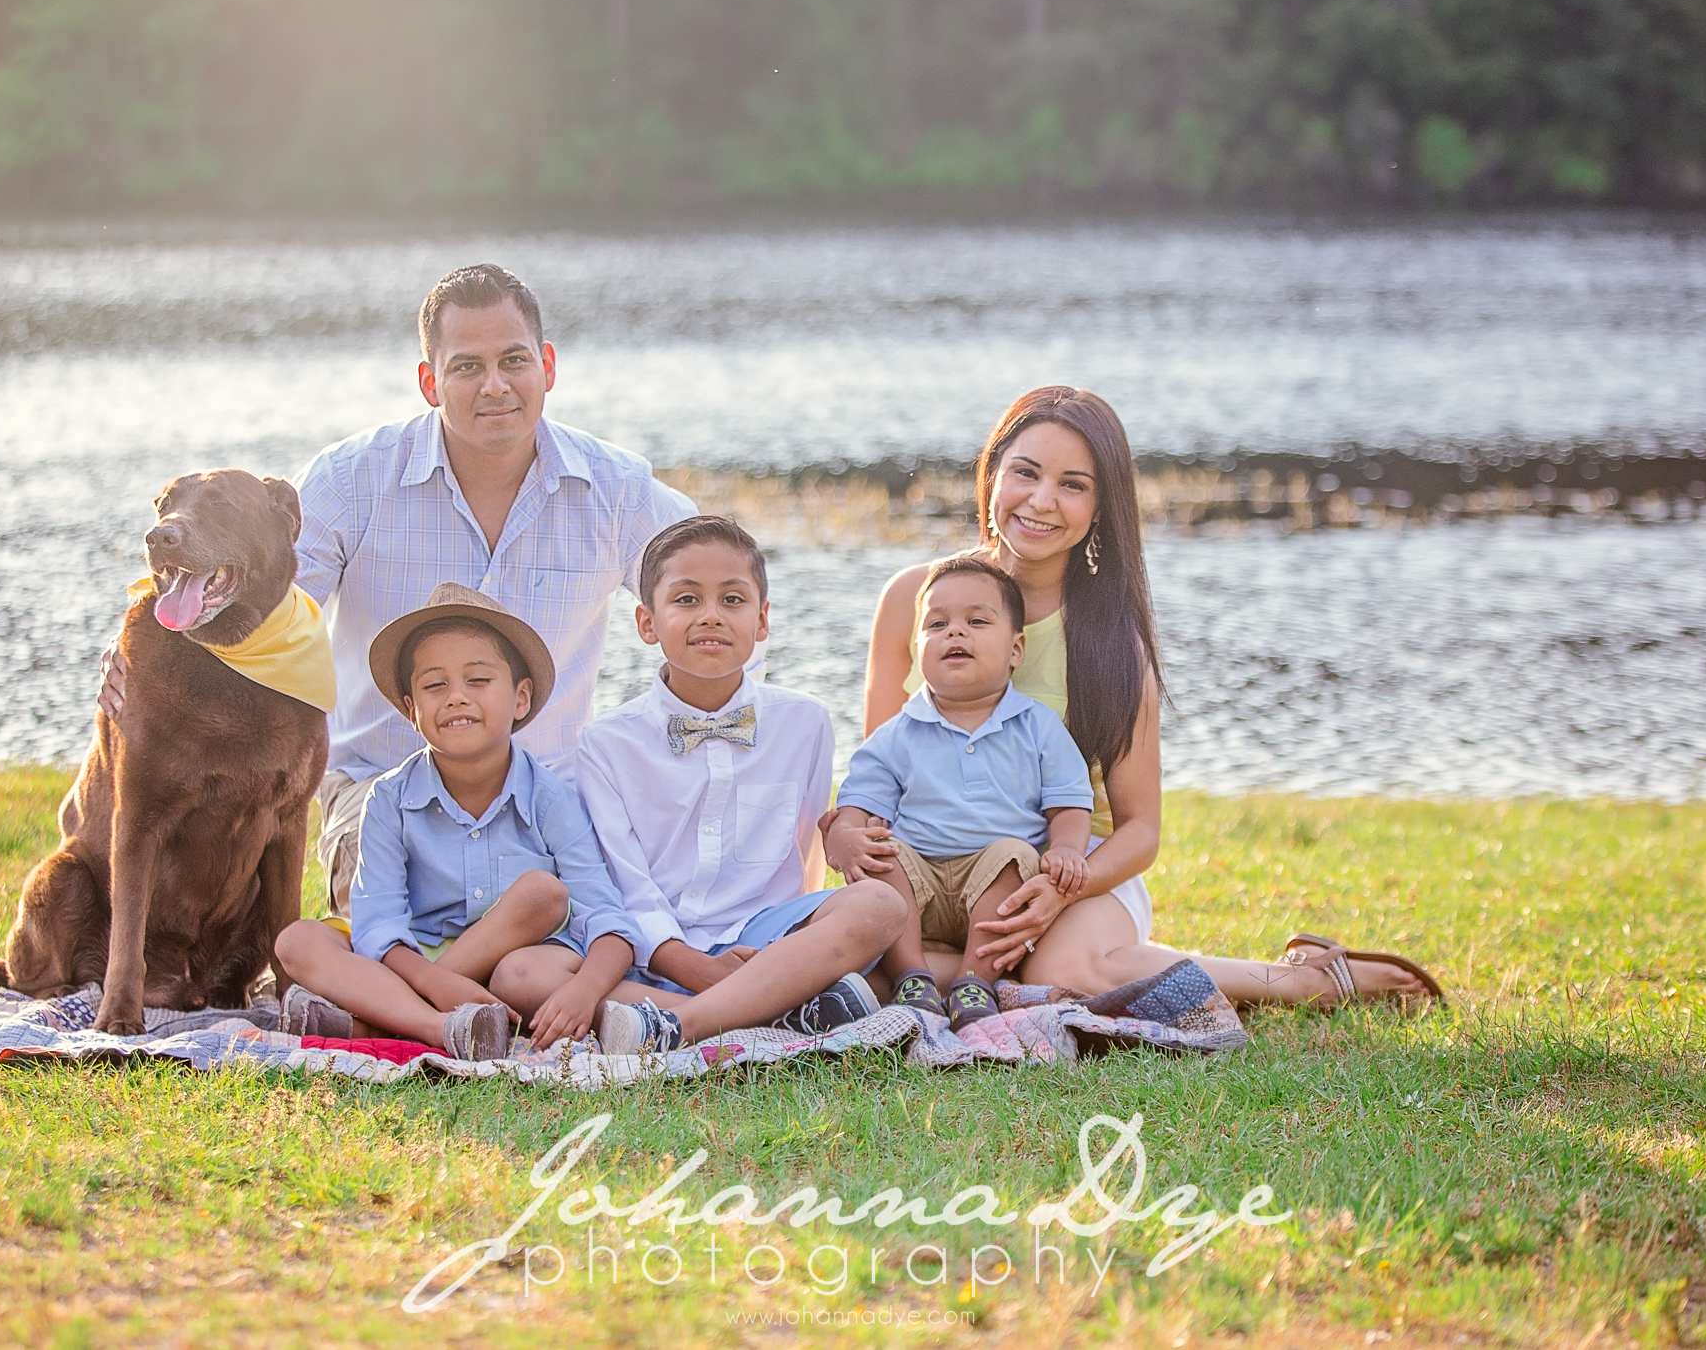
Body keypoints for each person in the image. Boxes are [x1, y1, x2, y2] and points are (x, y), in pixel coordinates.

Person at [105, 264, 696, 917]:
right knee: (398, 912)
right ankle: (444, 990)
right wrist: (144, 638)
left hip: (550, 791)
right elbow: (249, 602)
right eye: (467, 366)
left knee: (616, 914)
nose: (495, 385)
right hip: (382, 790)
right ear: (429, 382)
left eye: (514, 361)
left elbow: (717, 592)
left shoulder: (615, 488)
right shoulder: (352, 480)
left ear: (547, 367)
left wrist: (675, 741)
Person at [852, 386, 1441, 1008]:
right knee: (862, 960)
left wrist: (1060, 889)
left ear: (1102, 506)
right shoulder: (912, 600)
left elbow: (1139, 831)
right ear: (992, 472)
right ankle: (970, 972)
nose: (1042, 500)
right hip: (938, 872)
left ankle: (1305, 980)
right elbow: (878, 775)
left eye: (1073, 485)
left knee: (1067, 974)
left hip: (1077, 872)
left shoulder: (1110, 640)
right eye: (1025, 472)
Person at [573, 516, 907, 1053]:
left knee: (880, 906)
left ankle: (678, 1027)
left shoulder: (807, 722)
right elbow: (625, 882)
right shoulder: (606, 743)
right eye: (686, 600)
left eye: (732, 600)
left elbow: (806, 859)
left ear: (762, 620)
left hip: (769, 942)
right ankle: (770, 1015)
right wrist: (694, 967)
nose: (711, 616)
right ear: (646, 622)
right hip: (653, 948)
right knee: (531, 974)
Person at [272, 584, 647, 1058]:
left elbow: (606, 916)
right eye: (434, 686)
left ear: (521, 699)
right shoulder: (388, 799)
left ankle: (378, 1018)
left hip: (522, 965)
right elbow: (377, 927)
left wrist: (586, 990)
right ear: (411, 710)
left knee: (542, 895)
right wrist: (437, 982)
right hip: (418, 961)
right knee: (299, 940)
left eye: (478, 680)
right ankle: (437, 1027)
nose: (455, 698)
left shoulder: (551, 798)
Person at [828, 557, 1094, 1031]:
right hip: (918, 889)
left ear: (1016, 649)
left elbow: (1068, 801)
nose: (955, 633)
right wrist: (847, 837)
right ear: (918, 646)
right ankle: (912, 976)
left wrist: (1068, 850)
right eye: (937, 623)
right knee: (883, 852)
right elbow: (858, 803)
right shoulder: (898, 734)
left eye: (976, 621)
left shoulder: (1038, 727)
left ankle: (975, 980)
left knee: (1014, 855)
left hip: (995, 887)